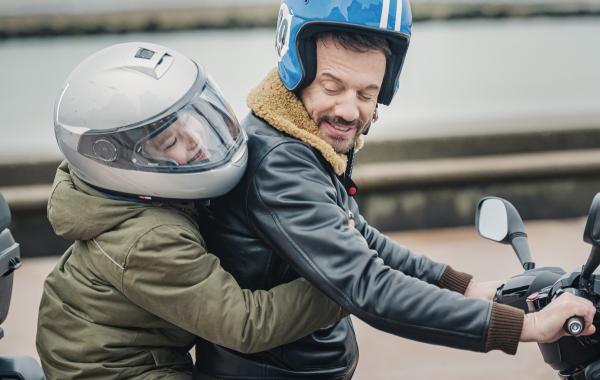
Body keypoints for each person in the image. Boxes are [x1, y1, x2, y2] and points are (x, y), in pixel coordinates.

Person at [193, 1, 597, 379]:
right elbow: (368, 286)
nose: (350, 110)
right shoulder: (279, 163)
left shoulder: (298, 140)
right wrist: (528, 326)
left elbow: (359, 235)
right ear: (295, 72)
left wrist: (464, 286)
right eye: (333, 87)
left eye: (367, 94)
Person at [35, 42, 345, 379]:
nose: (196, 137)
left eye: (193, 118)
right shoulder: (149, 240)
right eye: (169, 141)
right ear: (116, 161)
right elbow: (245, 324)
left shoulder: (121, 199)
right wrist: (346, 285)